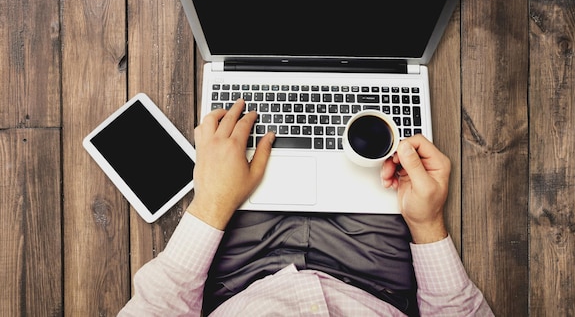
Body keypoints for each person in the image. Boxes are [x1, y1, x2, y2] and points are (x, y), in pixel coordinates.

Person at [118, 99, 493, 316]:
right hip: (374, 275)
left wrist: (212, 202)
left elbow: (156, 308)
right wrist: (427, 224)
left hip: (239, 275)